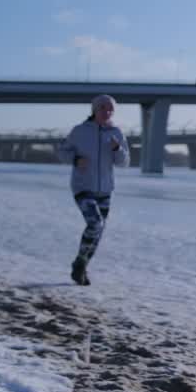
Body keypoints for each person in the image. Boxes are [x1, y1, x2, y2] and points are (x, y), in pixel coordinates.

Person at [56, 94, 129, 285]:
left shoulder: (116, 133)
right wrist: (75, 160)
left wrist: (116, 149)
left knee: (98, 230)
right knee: (95, 223)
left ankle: (81, 266)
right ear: (94, 110)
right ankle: (80, 265)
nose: (107, 112)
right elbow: (62, 152)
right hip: (83, 187)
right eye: (103, 108)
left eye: (111, 109)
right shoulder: (79, 131)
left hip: (105, 190)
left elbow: (124, 162)